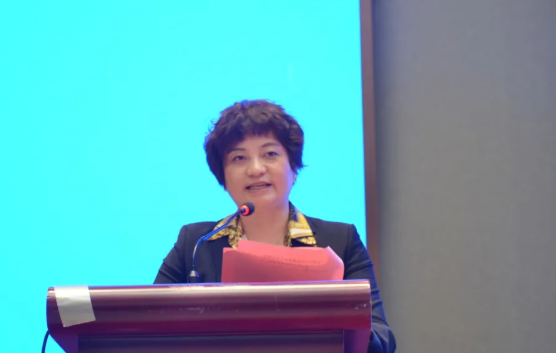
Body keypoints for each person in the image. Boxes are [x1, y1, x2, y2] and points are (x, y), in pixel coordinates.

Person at [154, 99, 396, 352]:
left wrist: (338, 323)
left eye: (270, 154)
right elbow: (149, 325)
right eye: (239, 158)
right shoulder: (194, 244)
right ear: (222, 176)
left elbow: (382, 338)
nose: (255, 169)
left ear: (294, 168)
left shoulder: (340, 240)